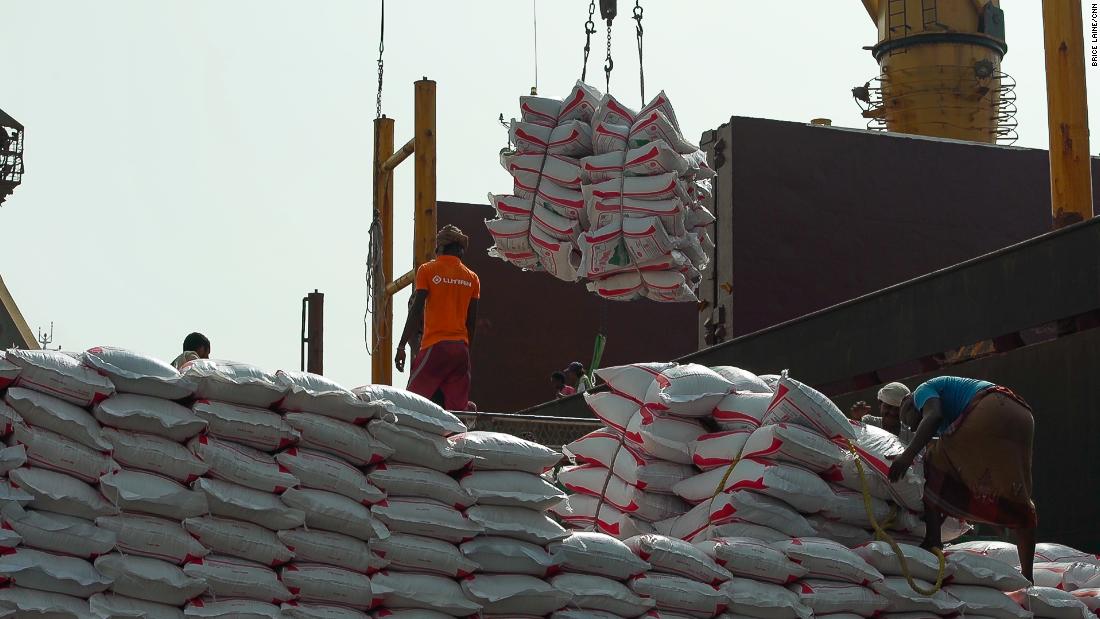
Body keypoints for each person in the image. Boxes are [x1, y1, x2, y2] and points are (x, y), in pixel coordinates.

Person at [888, 376, 1037, 582]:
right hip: (1021, 415)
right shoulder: (952, 417)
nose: (912, 428)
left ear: (907, 401)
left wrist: (907, 457)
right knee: (1017, 500)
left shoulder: (921, 391)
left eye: (908, 420)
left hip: (990, 407)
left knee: (931, 462)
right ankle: (1027, 578)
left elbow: (934, 416)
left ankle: (932, 540)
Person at [395, 225, 480, 412]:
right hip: (461, 350)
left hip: (436, 346)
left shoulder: (427, 270)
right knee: (457, 413)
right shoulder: (472, 278)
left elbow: (416, 310)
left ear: (440, 248)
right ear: (460, 249)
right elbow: (471, 323)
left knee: (410, 402)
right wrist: (466, 353)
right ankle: (458, 439)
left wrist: (401, 346)